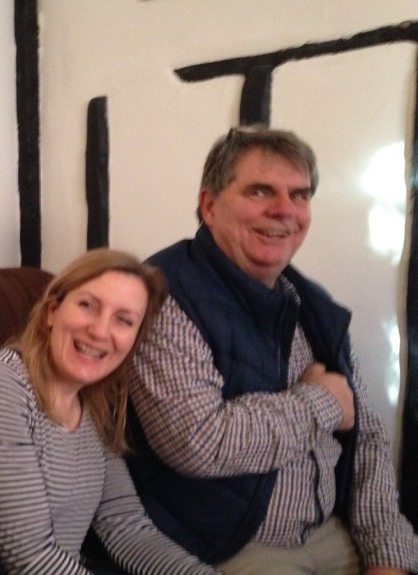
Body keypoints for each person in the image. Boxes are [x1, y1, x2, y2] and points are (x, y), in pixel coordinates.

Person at [127, 126, 418, 575]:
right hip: (229, 546)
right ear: (209, 204)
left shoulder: (311, 304)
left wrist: (387, 553)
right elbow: (199, 443)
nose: (285, 210)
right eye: (260, 191)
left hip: (331, 533)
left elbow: (367, 439)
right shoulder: (165, 293)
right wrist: (321, 400)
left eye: (299, 195)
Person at [0, 248, 224, 575]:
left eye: (124, 320)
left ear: (134, 340)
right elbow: (31, 559)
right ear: (52, 311)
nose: (100, 331)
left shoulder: (95, 410)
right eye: (87, 305)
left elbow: (127, 529)